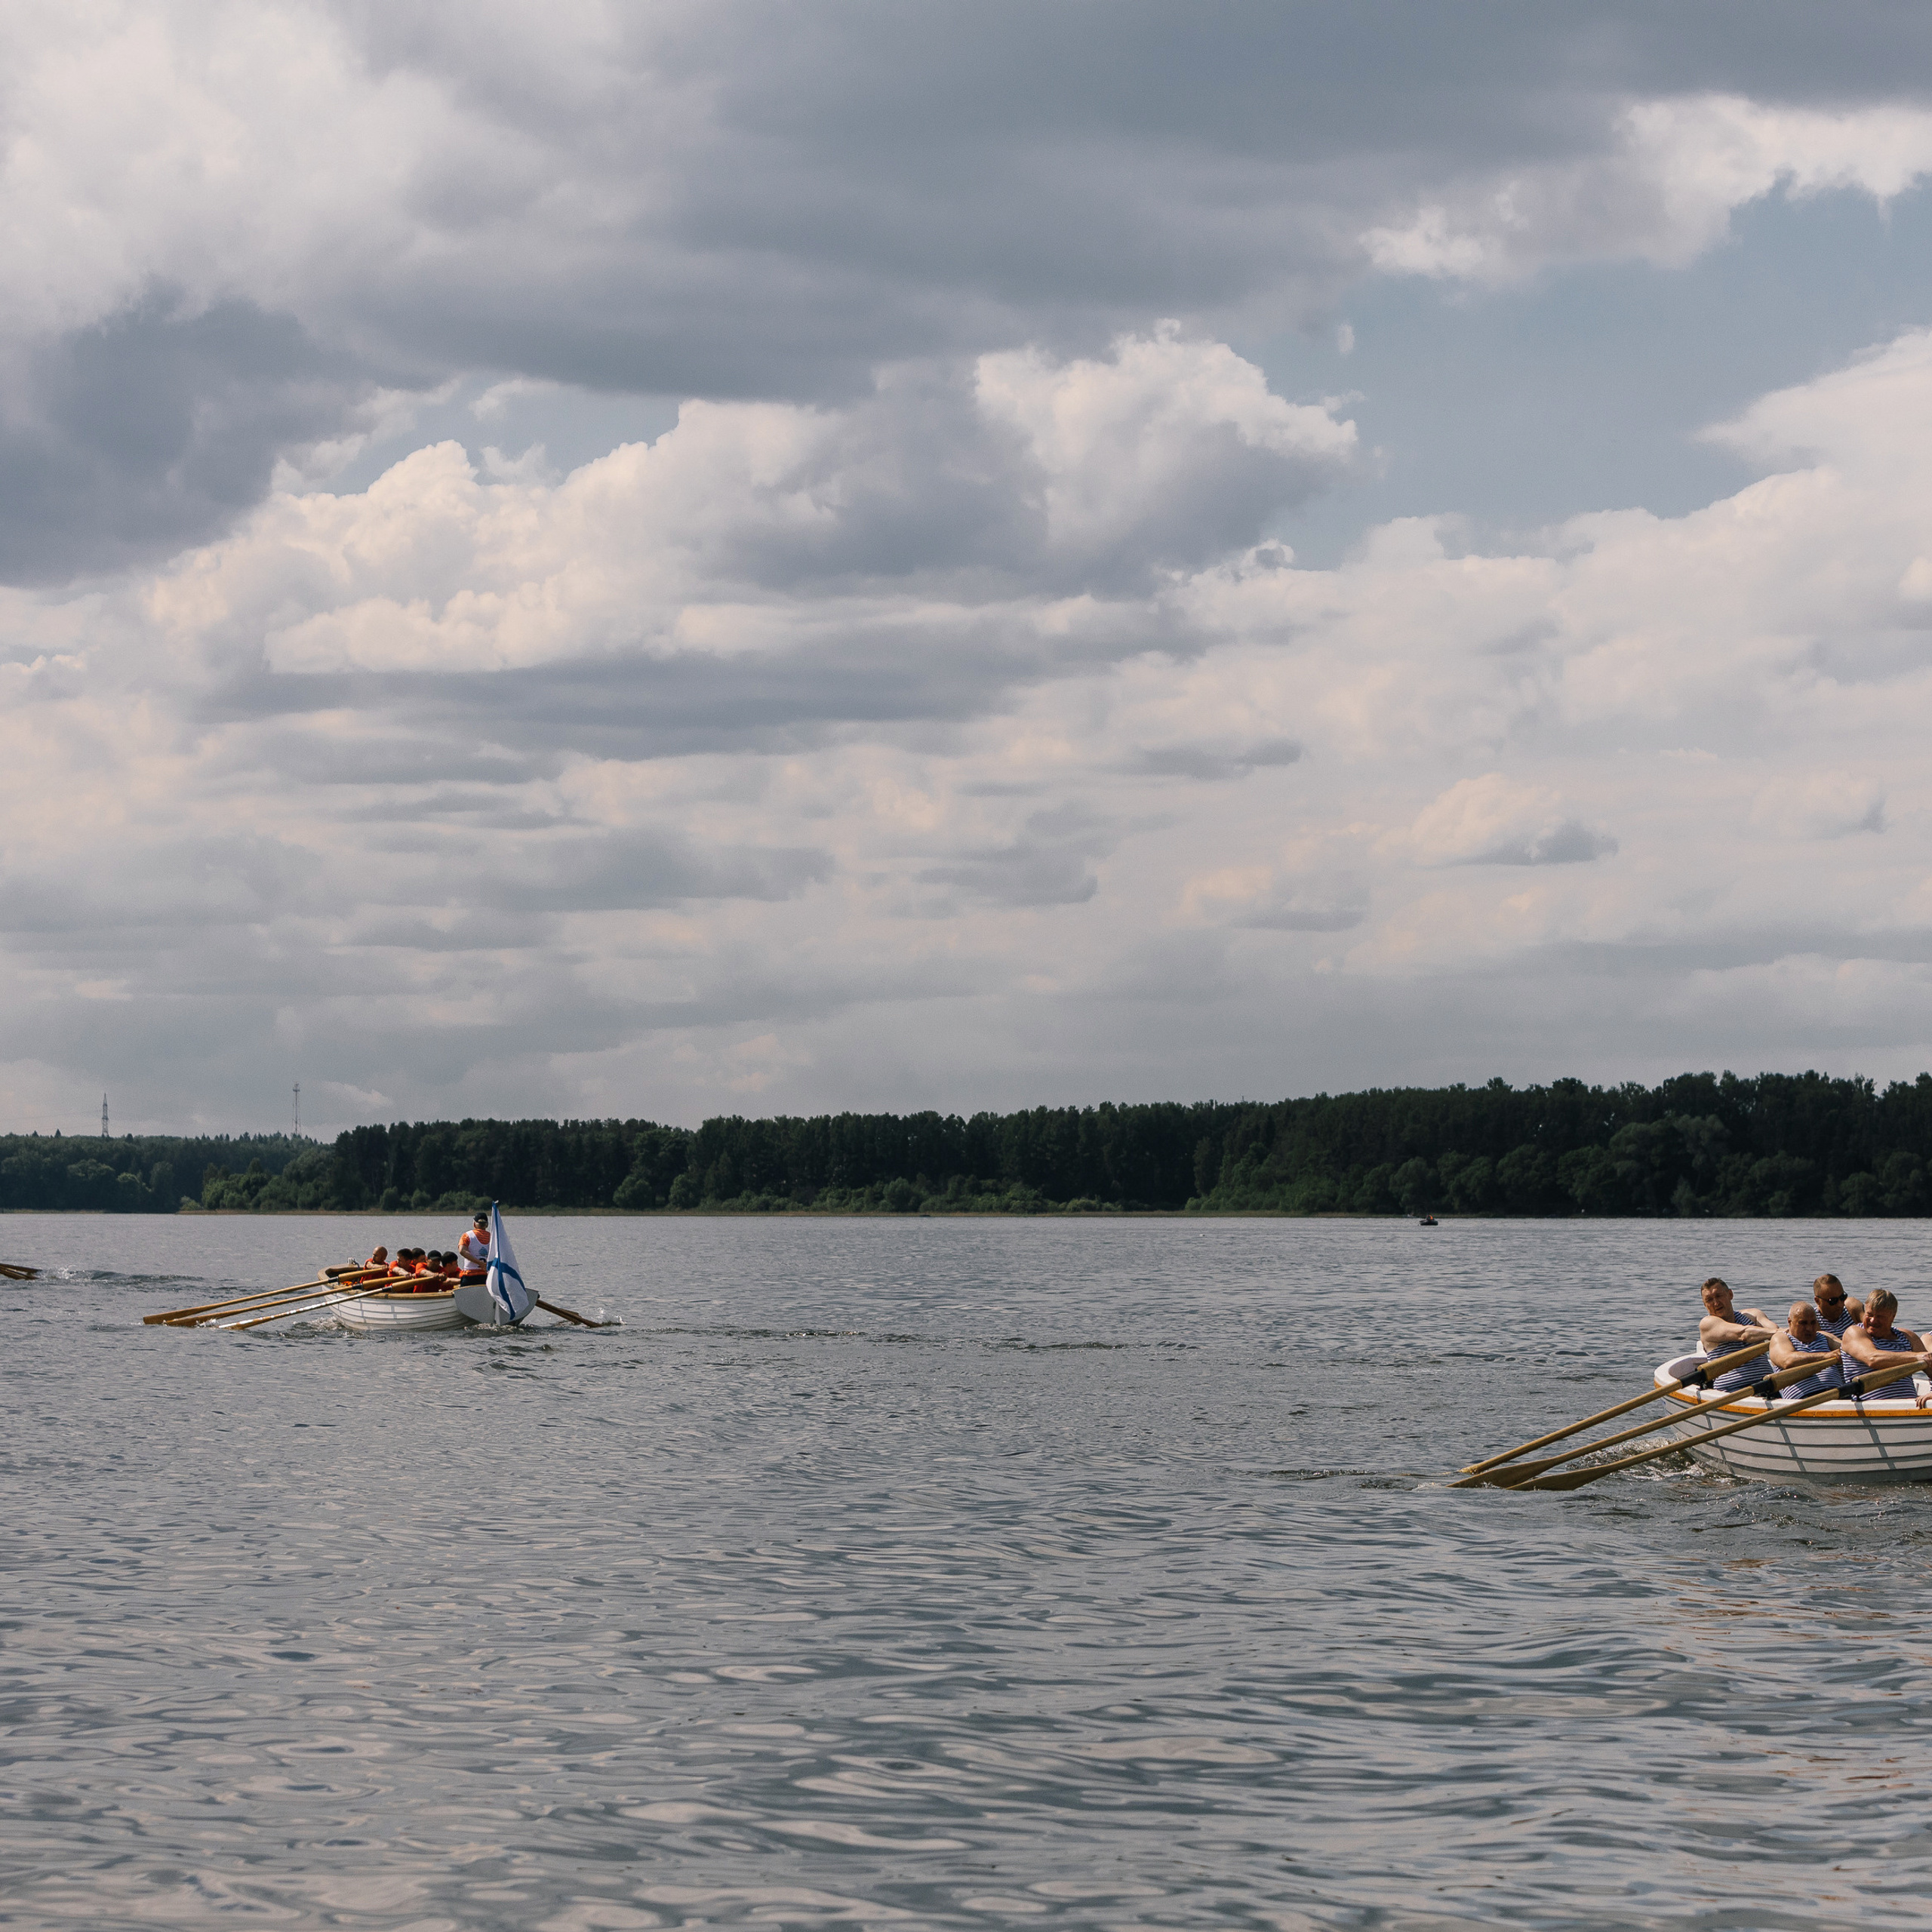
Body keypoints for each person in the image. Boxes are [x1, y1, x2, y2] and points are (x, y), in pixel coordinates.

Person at [1713, 1300, 1841, 1397]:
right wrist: (1826, 1356)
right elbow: (1788, 1361)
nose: (1809, 1328)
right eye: (1803, 1323)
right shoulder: (1781, 1338)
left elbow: (1846, 1348)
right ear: (1790, 1322)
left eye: (1813, 1323)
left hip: (1839, 1394)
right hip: (1804, 1400)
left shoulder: (1823, 1336)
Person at [1838, 1288, 1932, 1404]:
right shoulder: (1854, 1333)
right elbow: (1873, 1359)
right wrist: (1917, 1357)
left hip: (1910, 1405)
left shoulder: (1908, 1337)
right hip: (1873, 1408)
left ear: (1893, 1316)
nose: (1873, 1320)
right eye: (1869, 1315)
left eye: (1880, 1317)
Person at [1697, 1278, 1774, 1358]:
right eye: (1709, 1300)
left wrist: (1780, 1334)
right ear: (1705, 1304)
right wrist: (1777, 1332)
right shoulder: (1707, 1324)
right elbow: (1743, 1334)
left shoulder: (1753, 1315)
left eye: (1719, 1296)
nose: (1716, 1303)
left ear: (1730, 1294)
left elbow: (1776, 1331)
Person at [457, 1212, 491, 1284]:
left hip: (470, 1275)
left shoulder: (467, 1235)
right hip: (486, 1275)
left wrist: (479, 1263)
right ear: (487, 1225)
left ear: (474, 1224)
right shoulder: (493, 1237)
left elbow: (462, 1251)